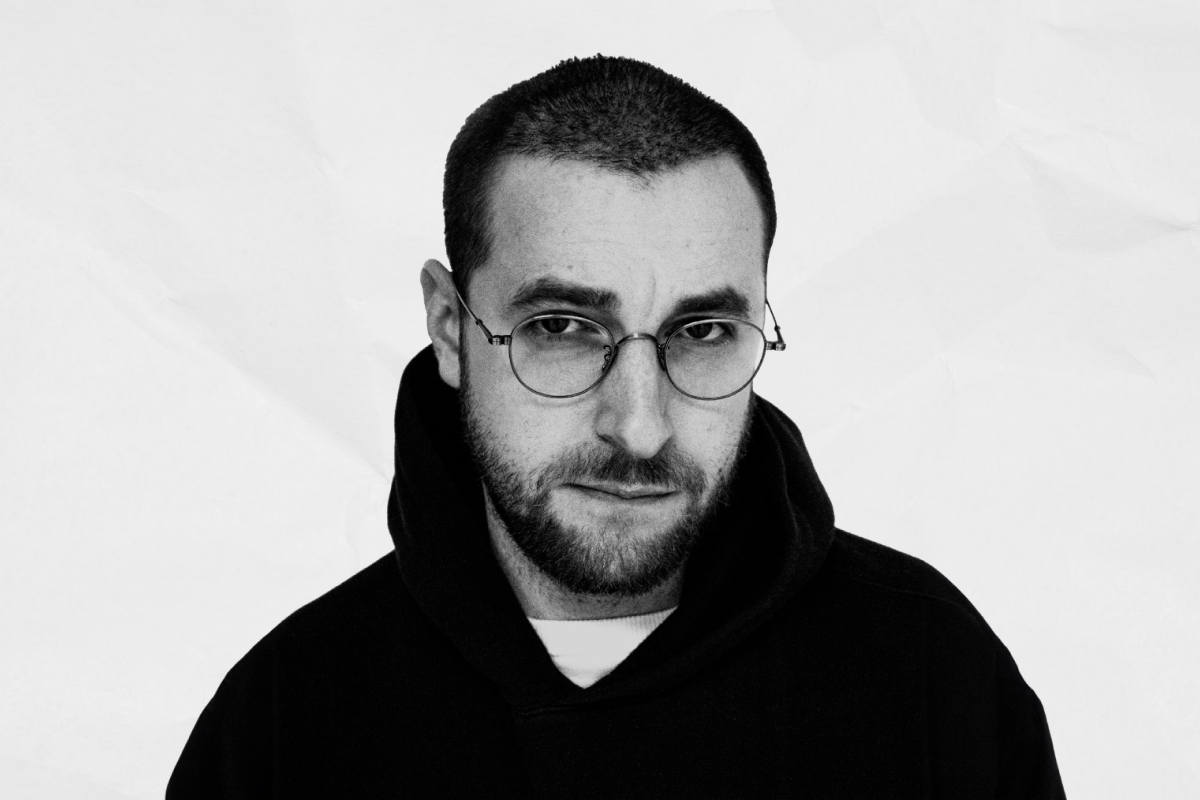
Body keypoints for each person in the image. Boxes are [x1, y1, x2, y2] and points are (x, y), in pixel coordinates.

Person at [168, 55, 1065, 798]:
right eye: (562, 328)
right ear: (449, 326)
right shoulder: (286, 723)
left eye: (703, 332)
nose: (639, 428)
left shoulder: (932, 677)